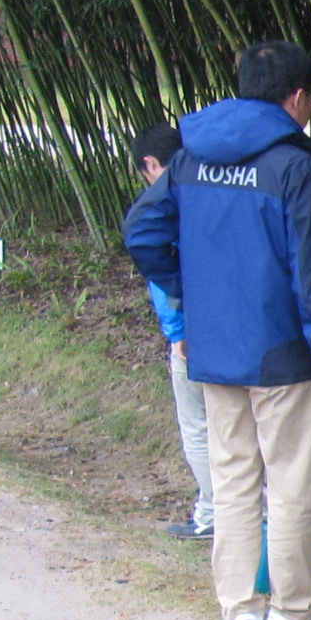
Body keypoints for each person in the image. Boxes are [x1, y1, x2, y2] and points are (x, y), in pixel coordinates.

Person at [121, 40, 311, 620]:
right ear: (299, 96)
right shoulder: (296, 166)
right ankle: (293, 612)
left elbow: (141, 233)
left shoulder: (189, 157)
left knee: (232, 480)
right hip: (280, 351)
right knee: (288, 481)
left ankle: (239, 614)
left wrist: (191, 293)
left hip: (214, 348)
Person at [133, 121, 214, 541]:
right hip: (231, 326)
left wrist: (177, 329)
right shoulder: (209, 186)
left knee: (199, 426)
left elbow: (161, 274)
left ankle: (213, 513)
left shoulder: (163, 201)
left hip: (193, 332)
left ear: (150, 163)